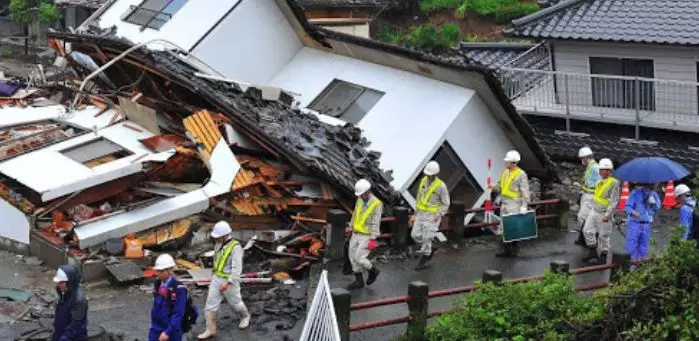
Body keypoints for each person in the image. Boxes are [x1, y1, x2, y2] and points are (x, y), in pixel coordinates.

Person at [197, 221, 251, 339]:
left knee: (235, 304)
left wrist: (228, 283)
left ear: (224, 235)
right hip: (217, 278)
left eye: (217, 236)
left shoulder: (236, 247)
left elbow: (237, 268)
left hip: (229, 280)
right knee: (210, 305)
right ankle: (210, 330)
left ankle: (245, 316)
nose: (215, 239)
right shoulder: (218, 244)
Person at [411, 160, 450, 270]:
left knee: (427, 237)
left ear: (435, 174)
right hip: (421, 213)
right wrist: (415, 212)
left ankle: (425, 258)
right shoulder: (423, 181)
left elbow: (446, 202)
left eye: (430, 174)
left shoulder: (441, 186)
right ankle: (430, 247)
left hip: (432, 215)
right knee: (415, 235)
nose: (428, 176)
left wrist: (439, 214)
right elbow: (419, 197)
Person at [490, 150, 530, 257]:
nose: (505, 163)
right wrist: (493, 186)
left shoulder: (521, 174)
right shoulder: (505, 172)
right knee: (504, 227)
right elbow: (501, 186)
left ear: (513, 162)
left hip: (514, 204)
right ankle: (507, 250)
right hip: (505, 202)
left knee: (513, 228)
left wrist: (524, 205)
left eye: (507, 161)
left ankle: (514, 251)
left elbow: (525, 191)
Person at [582, 158, 620, 265]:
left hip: (604, 212)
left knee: (604, 235)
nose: (600, 172)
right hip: (594, 210)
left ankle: (603, 257)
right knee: (587, 230)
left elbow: (614, 201)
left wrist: (608, 215)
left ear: (608, 170)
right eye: (600, 170)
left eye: (603, 170)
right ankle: (592, 251)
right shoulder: (599, 182)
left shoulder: (614, 183)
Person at [347, 179, 383, 289]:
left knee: (359, 257)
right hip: (356, 232)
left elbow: (376, 221)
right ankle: (359, 281)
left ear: (368, 191)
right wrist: (351, 225)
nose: (361, 196)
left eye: (362, 194)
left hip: (366, 235)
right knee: (352, 256)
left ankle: (373, 270)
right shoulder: (360, 199)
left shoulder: (377, 204)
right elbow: (355, 213)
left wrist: (373, 238)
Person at [149, 254, 187, 341]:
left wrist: (167, 332)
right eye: (158, 270)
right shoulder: (157, 284)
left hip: (172, 329)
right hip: (156, 326)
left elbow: (178, 313)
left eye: (161, 271)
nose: (158, 273)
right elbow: (155, 306)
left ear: (170, 270)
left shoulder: (178, 289)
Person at [624, 183, 661, 263]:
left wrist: (651, 208)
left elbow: (658, 206)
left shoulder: (654, 194)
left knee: (644, 244)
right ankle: (632, 263)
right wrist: (633, 212)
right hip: (635, 223)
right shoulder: (635, 193)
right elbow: (627, 206)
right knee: (632, 243)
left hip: (646, 224)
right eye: (655, 183)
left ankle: (641, 262)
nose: (657, 184)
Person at [52, 265, 88, 341]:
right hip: (60, 333)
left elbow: (75, 325)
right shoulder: (64, 291)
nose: (58, 284)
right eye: (58, 282)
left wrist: (64, 339)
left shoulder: (79, 300)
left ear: (70, 281)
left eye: (61, 282)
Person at [573, 147, 600, 246]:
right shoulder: (590, 166)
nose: (581, 160)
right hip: (587, 195)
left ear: (586, 157)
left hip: (591, 196)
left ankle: (592, 239)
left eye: (582, 158)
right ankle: (585, 238)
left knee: (583, 217)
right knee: (584, 218)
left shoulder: (595, 168)